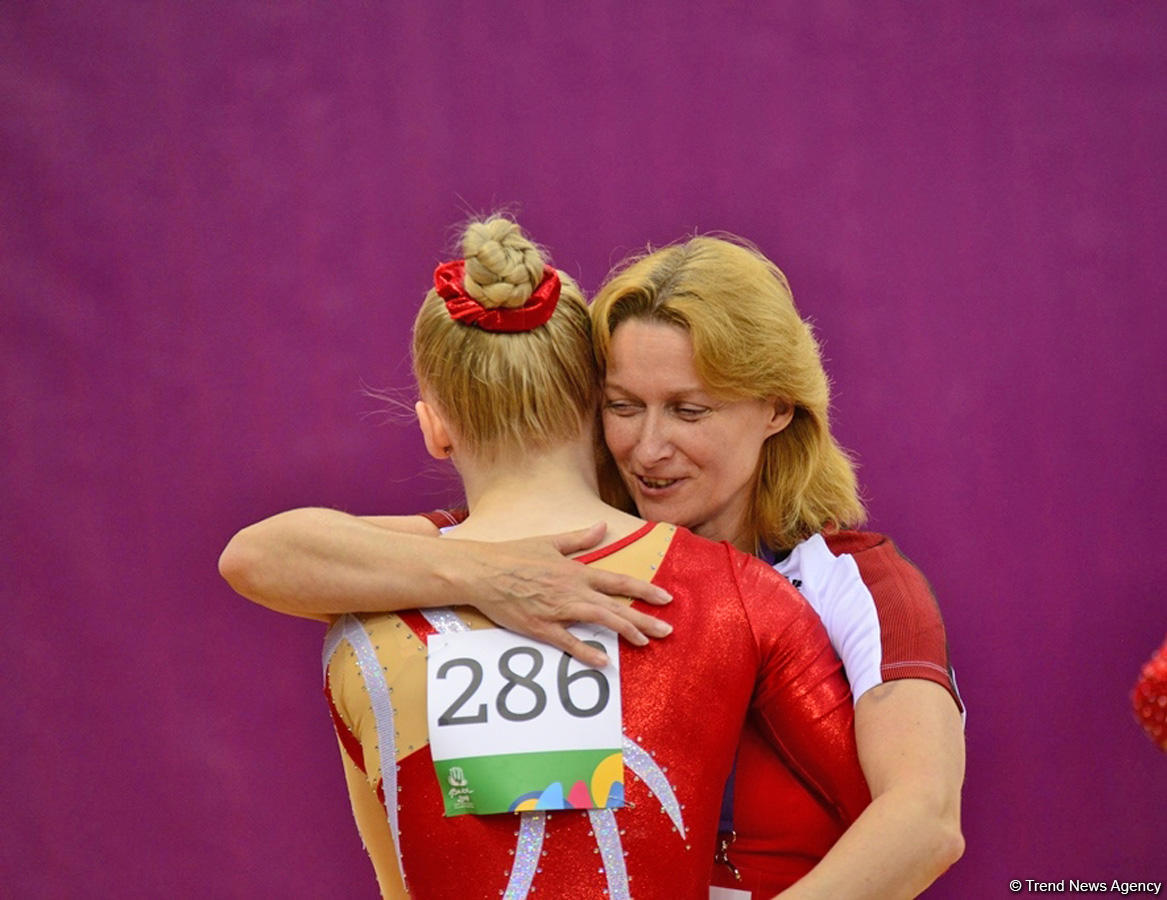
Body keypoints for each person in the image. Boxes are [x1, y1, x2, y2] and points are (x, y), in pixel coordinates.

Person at [221, 232, 965, 898]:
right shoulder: (537, 556)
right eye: (622, 405)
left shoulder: (852, 584)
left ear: (778, 408)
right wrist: (490, 578)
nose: (648, 448)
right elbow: (262, 555)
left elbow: (924, 820)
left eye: (689, 411)